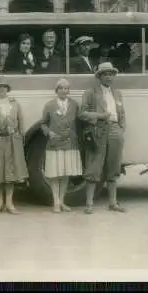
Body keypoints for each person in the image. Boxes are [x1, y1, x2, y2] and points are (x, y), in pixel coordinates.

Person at [79, 62, 127, 214]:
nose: (108, 77)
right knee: (94, 166)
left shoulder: (117, 93)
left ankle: (113, 203)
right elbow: (82, 113)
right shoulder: (91, 92)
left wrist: (120, 128)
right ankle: (89, 204)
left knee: (114, 167)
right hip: (98, 130)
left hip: (114, 130)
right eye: (105, 74)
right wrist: (100, 116)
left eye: (111, 74)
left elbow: (122, 114)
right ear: (99, 76)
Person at [0, 76, 28, 214]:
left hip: (12, 140)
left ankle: (9, 203)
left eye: (4, 87)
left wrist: (20, 138)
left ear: (7, 89)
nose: (2, 89)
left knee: (10, 172)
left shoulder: (14, 104)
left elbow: (21, 122)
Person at [41, 78, 82, 213]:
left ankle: (62, 201)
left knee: (65, 174)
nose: (64, 91)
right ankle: (56, 202)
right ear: (56, 90)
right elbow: (43, 124)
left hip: (70, 144)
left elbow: (79, 121)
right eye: (61, 88)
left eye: (66, 88)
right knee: (54, 174)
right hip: (54, 144)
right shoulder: (49, 105)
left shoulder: (75, 105)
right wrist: (49, 132)